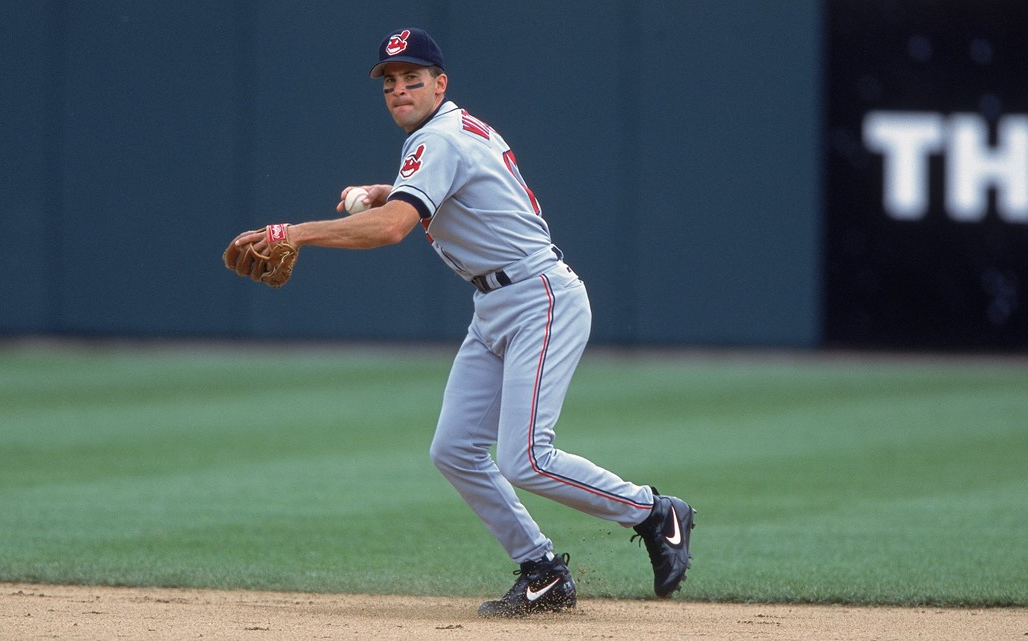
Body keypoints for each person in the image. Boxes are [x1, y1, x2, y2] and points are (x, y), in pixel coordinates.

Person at [228, 27, 696, 617]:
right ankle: (543, 570)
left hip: (537, 297)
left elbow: (395, 228)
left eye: (412, 79)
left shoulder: (439, 138)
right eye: (390, 82)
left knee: (525, 457)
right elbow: (452, 196)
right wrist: (387, 189)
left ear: (439, 83)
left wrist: (293, 232)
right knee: (454, 449)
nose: (399, 90)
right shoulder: (446, 133)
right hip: (496, 304)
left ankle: (656, 512)